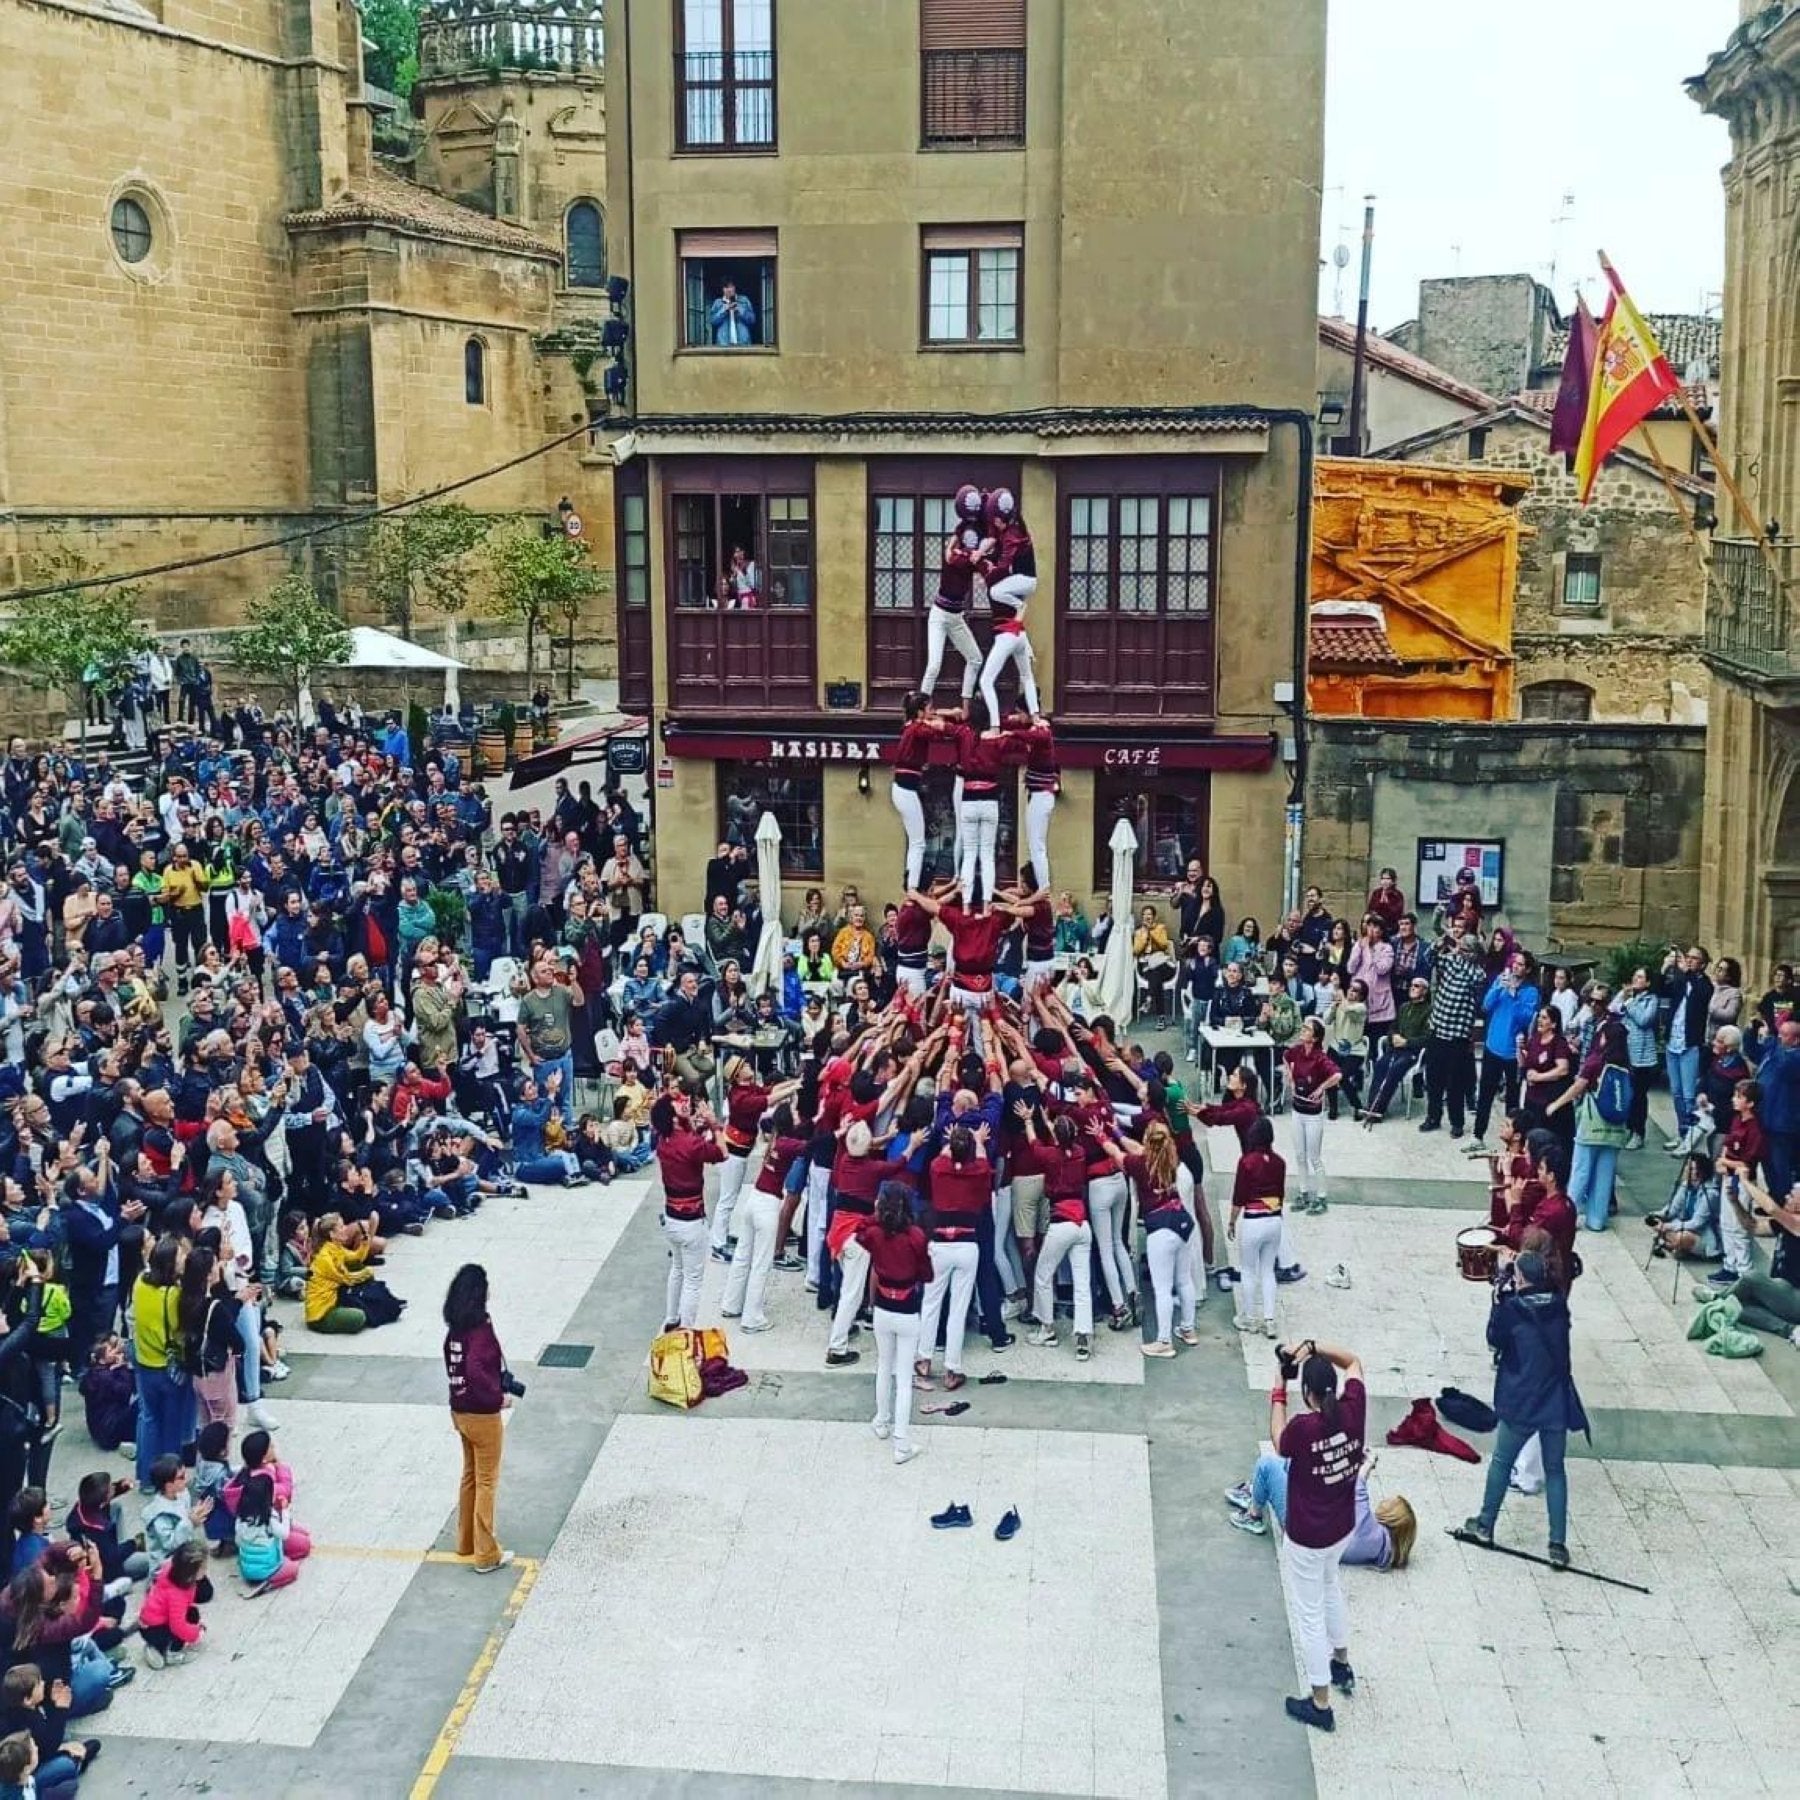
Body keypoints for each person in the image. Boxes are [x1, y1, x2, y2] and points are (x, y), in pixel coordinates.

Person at [1461, 1250, 1588, 1569]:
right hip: (1555, 1399)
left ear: (1520, 1279)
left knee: (1502, 1462)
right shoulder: (1560, 1305)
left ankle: (1485, 1525)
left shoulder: (1513, 1309)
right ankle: (1557, 1545)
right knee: (1555, 1469)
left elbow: (1494, 1341)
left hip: (1521, 1400)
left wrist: (1499, 1290)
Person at [1272, 1338, 1367, 1731]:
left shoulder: (1303, 1428)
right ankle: (1341, 1663)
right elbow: (1355, 1360)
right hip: (1342, 1526)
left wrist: (1277, 1391)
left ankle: (1321, 1701)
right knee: (1331, 1589)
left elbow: (1278, 1441)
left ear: (1306, 1394)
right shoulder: (1354, 1408)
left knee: (1309, 1615)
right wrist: (1314, 1347)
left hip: (1308, 1536)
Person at [443, 1264, 515, 1576]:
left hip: (459, 1410)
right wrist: (498, 1397)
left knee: (470, 1475)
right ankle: (486, 1553)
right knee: (487, 1480)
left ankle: (466, 1540)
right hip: (483, 1415)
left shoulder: (455, 1329)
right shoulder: (480, 1330)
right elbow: (476, 1369)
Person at [857, 1182, 934, 1466]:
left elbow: (859, 1231)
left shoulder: (875, 1234)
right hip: (907, 1308)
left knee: (883, 1365)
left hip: (882, 1308)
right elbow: (927, 1274)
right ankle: (901, 1442)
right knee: (903, 1377)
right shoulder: (915, 1236)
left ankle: (881, 1420)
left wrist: (876, 1215)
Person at [1224, 1452, 1415, 1567]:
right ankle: (1259, 1489)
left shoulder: (1370, 1532)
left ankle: (1253, 1515)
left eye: (1388, 1503)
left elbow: (1358, 1483)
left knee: (1266, 1464)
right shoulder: (1381, 1548)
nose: (1383, 1502)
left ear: (1392, 1517)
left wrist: (1368, 1463)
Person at [652, 1096, 726, 1332]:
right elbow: (722, 1152)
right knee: (693, 1280)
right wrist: (715, 1125)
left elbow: (690, 1139)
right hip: (692, 1221)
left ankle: (671, 1318)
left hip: (671, 1216)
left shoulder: (663, 1140)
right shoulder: (690, 1144)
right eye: (677, 1104)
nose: (684, 1104)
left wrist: (696, 1124)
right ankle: (687, 1330)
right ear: (673, 1118)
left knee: (678, 1269)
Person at [977, 487, 1040, 728]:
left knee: (986, 681)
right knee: (1027, 676)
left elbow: (997, 567)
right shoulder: (1009, 577)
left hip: (1006, 633)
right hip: (1019, 633)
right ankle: (1036, 717)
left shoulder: (998, 577)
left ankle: (994, 726)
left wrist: (980, 561)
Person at [918, 499, 986, 706]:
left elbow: (960, 532)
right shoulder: (958, 558)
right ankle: (920, 708)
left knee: (975, 659)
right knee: (934, 665)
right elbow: (959, 556)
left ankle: (965, 704)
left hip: (956, 617)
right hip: (939, 615)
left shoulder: (960, 552)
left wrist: (981, 505)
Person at [1230, 1117, 1287, 1338]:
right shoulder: (1280, 1162)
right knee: (1267, 1270)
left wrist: (1232, 1221)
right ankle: (1270, 1319)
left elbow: (1239, 1196)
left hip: (1253, 1220)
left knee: (1248, 1270)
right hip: (1274, 1220)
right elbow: (1280, 1193)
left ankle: (1249, 1318)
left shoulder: (1246, 1162)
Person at [1284, 1019, 1341, 1216]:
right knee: (1300, 1155)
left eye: (1307, 1029)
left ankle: (1322, 1196)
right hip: (1297, 1110)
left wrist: (1321, 1088)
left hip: (1313, 1115)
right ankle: (1303, 1192)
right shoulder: (1297, 1051)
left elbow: (1336, 1075)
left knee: (1314, 1157)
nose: (1303, 1030)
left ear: (1315, 1037)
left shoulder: (1320, 1058)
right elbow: (1285, 1057)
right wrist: (1290, 1077)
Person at [708, 279, 756, 346]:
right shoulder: (717, 303)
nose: (729, 290)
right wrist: (724, 310)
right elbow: (713, 321)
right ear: (722, 289)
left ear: (735, 287)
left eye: (731, 286)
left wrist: (740, 310)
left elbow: (752, 320)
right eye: (726, 287)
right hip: (723, 344)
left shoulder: (744, 300)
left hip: (743, 344)